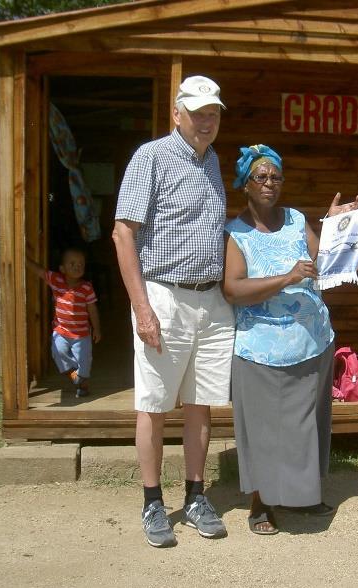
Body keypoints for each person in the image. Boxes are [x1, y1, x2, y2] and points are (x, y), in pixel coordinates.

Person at [112, 75, 235, 548]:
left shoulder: (213, 161)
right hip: (163, 296)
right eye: (199, 112)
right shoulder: (151, 157)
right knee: (155, 404)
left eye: (214, 113)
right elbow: (124, 234)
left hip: (210, 299)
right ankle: (151, 502)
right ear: (177, 114)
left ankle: (197, 495)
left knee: (201, 403)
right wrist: (142, 310)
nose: (207, 121)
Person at [222, 144, 358, 535]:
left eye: (275, 176)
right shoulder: (235, 234)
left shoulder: (299, 221)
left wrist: (335, 226)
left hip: (311, 342)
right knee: (263, 429)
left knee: (306, 424)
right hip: (259, 348)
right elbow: (233, 289)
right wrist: (286, 278)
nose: (269, 183)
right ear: (245, 184)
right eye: (260, 177)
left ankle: (304, 496)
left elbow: (324, 266)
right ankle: (260, 504)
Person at [27, 248, 101, 398]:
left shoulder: (86, 287)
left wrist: (97, 329)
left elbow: (92, 310)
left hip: (82, 334)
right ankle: (74, 374)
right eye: (72, 263)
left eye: (81, 264)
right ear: (62, 269)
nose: (77, 267)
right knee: (58, 352)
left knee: (84, 361)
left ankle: (82, 385)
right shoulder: (56, 280)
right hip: (61, 330)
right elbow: (40, 271)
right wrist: (24, 260)